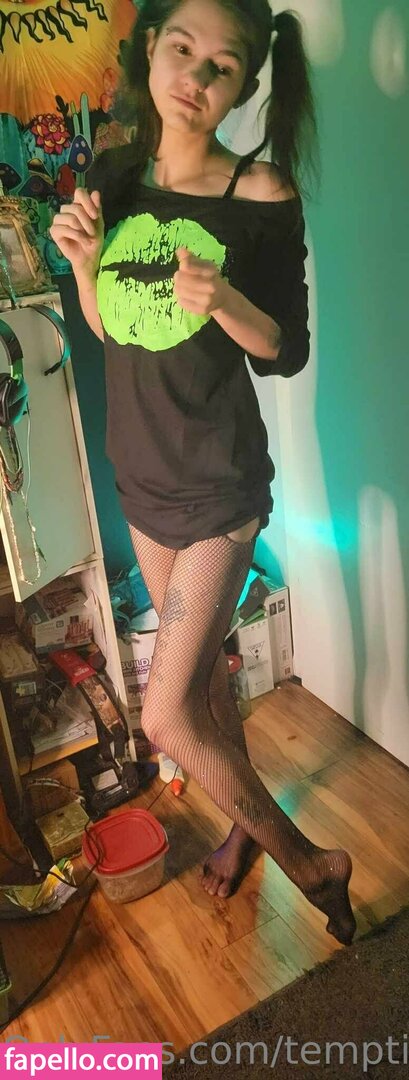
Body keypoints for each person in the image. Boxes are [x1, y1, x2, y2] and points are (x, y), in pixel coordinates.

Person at [50, 0, 356, 946]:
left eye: (223, 65)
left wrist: (222, 295)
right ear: (150, 49)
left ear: (245, 84)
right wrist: (87, 265)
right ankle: (241, 829)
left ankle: (312, 862)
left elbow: (286, 351)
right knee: (210, 690)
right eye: (181, 48)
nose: (195, 75)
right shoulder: (114, 176)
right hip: (141, 480)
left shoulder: (258, 193)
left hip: (217, 492)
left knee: (168, 716)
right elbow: (116, 332)